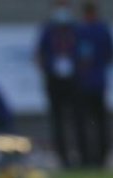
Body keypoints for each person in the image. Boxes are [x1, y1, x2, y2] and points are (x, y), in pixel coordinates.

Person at [36, 0, 85, 169]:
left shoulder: (76, 29)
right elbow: (39, 54)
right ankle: (64, 159)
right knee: (57, 121)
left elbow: (84, 52)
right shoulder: (48, 29)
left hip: (74, 79)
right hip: (55, 79)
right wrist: (49, 68)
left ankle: (84, 157)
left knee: (78, 119)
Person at [75, 0, 113, 168]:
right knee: (95, 124)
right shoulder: (99, 29)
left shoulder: (82, 30)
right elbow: (111, 55)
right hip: (92, 83)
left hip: (88, 83)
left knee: (92, 124)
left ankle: (93, 159)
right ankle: (96, 158)